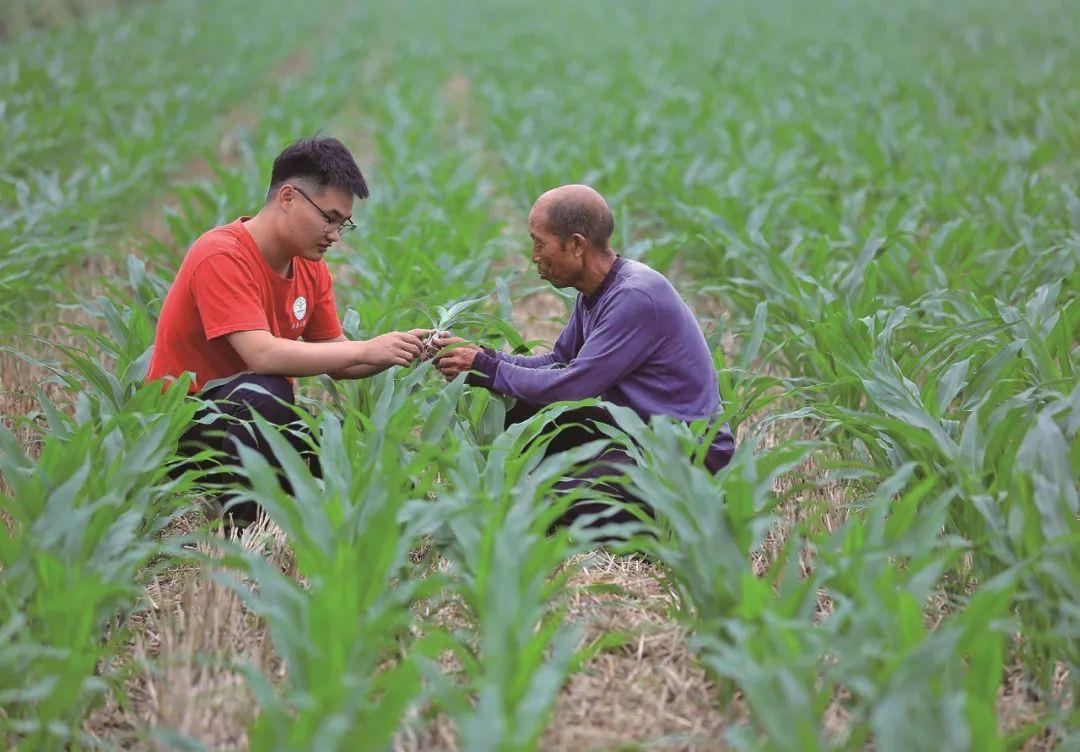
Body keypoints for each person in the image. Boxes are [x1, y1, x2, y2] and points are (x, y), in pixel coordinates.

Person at [147, 136, 429, 522]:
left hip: (256, 421)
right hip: (190, 430)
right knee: (266, 390)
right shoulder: (220, 255)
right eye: (329, 218)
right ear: (288, 198)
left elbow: (338, 358)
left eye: (343, 224)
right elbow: (262, 355)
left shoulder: (310, 266)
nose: (334, 234)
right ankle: (246, 524)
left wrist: (403, 349)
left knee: (365, 469)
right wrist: (365, 349)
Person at [434, 184, 735, 525]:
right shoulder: (595, 290)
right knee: (514, 414)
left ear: (576, 245)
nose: (534, 255)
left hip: (683, 460)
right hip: (637, 435)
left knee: (540, 504)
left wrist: (485, 368)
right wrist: (480, 357)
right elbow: (558, 363)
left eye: (539, 243)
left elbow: (574, 386)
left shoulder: (635, 297)